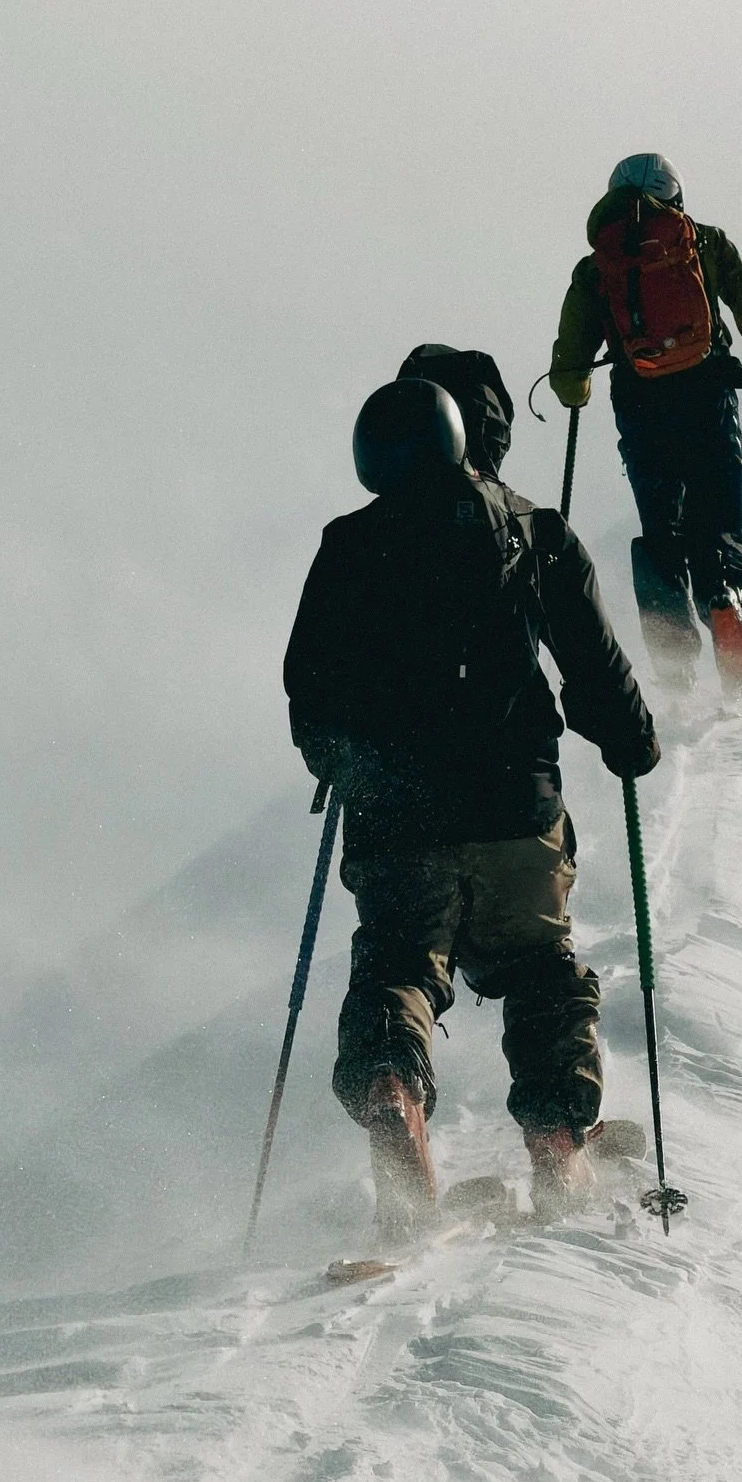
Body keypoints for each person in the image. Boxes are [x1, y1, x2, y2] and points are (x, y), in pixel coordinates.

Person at [283, 367, 659, 1240]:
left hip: (397, 818)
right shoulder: (532, 530)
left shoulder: (346, 546)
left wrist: (341, 760)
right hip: (514, 805)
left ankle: (392, 1097)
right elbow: (594, 666)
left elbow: (310, 687)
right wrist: (631, 742)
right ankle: (560, 1143)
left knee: (398, 967)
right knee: (538, 970)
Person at [549, 153, 742, 694]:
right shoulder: (705, 243)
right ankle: (726, 599)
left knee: (662, 530)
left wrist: (578, 391)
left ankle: (674, 660)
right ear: (677, 197)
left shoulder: (597, 265)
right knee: (719, 520)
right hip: (708, 397)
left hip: (641, 410)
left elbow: (567, 373)